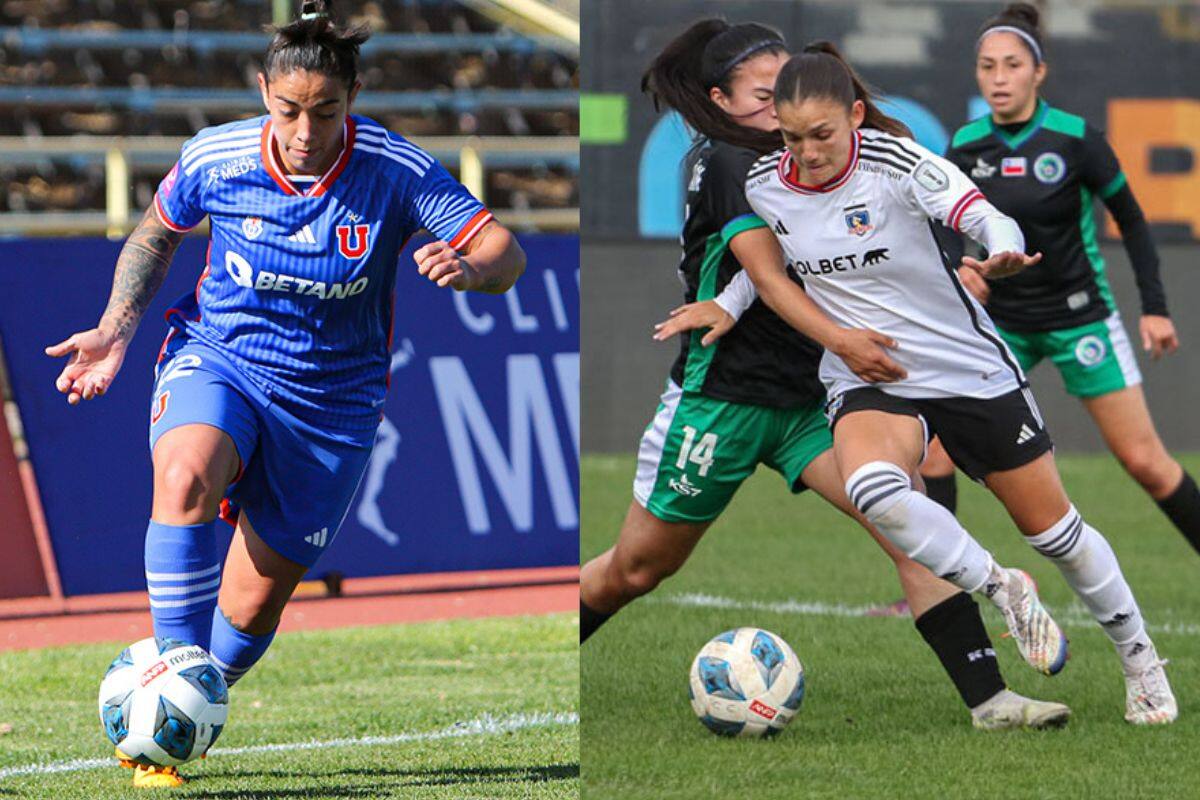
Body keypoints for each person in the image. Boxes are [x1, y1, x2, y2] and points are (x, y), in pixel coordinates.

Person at [45, 0, 525, 787]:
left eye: (326, 112)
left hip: (333, 405)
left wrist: (473, 269)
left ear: (355, 98)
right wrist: (115, 328)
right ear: (263, 91)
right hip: (220, 358)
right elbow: (158, 232)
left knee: (253, 605)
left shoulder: (393, 171)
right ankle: (169, 677)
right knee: (186, 473)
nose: (306, 132)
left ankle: (188, 716)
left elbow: (504, 251)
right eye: (289, 110)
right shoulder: (216, 156)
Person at [579, 18, 1070, 733]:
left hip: (814, 401)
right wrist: (847, 340)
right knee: (636, 570)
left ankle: (991, 702)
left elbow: (896, 236)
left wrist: (961, 273)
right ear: (720, 100)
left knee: (904, 528)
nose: (785, 104)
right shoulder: (724, 166)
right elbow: (770, 284)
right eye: (764, 93)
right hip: (725, 401)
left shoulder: (821, 164)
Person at [736, 41, 1175, 725]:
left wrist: (998, 245)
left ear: (854, 115)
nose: (807, 151)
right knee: (872, 488)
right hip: (870, 372)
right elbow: (765, 263)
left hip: (964, 365)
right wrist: (727, 305)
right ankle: (1001, 587)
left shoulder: (895, 162)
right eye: (792, 137)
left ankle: (1140, 657)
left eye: (821, 134)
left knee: (1055, 531)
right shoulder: (766, 182)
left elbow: (979, 212)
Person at [917, 2, 1200, 559]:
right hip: (1001, 325)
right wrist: (959, 271)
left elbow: (1135, 221)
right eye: (987, 66)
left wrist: (1156, 307)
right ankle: (935, 591)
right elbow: (944, 227)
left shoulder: (1076, 139)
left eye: (1012, 65)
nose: (999, 78)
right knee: (934, 455)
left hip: (1079, 318)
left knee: (1146, 462)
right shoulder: (967, 146)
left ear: (1038, 71)